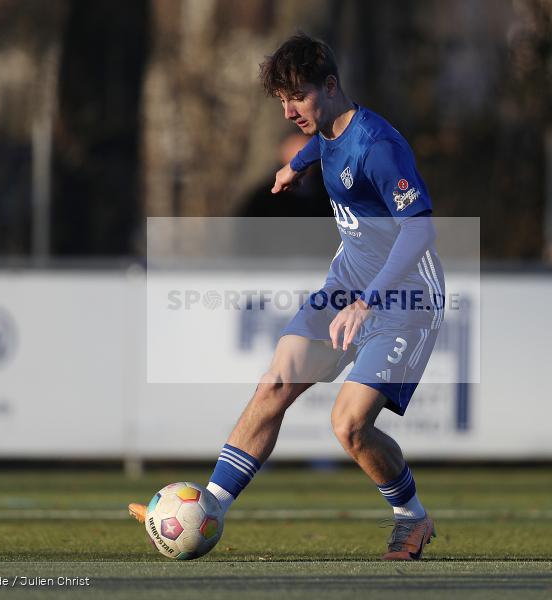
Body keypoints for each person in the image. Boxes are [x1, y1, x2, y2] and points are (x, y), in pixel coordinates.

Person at [131, 32, 443, 561]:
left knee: (349, 425)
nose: (288, 111)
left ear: (331, 86)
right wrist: (295, 165)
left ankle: (412, 517)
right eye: (282, 100)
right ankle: (209, 508)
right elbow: (327, 144)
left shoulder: (379, 146)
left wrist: (367, 301)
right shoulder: (328, 129)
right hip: (345, 286)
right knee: (275, 382)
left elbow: (419, 230)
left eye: (297, 97)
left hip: (403, 299)